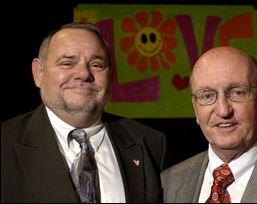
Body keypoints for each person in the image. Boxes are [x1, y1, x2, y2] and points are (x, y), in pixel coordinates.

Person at [1, 22, 167, 203]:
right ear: (38, 72)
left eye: (96, 64)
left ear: (111, 76)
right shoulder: (5, 143)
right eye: (67, 63)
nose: (83, 73)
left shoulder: (150, 144)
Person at [161, 46, 257, 203]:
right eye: (207, 95)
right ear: (195, 108)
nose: (223, 111)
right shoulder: (168, 184)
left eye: (237, 92)